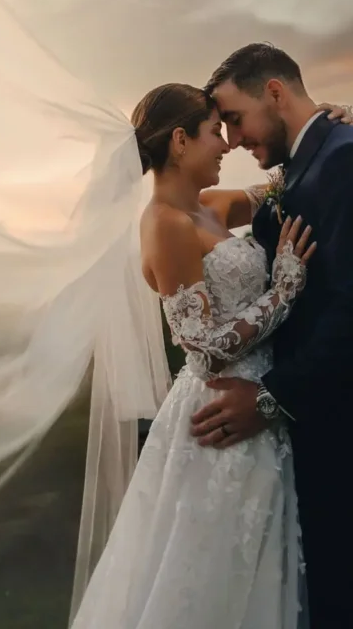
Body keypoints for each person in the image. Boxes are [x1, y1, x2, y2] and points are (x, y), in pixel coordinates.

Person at [69, 82, 352, 629]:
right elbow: (204, 345)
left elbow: (285, 183)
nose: (226, 145)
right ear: (179, 141)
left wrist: (336, 119)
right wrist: (283, 291)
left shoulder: (211, 206)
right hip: (220, 412)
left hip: (265, 406)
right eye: (214, 134)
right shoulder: (164, 226)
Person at [192, 44, 353, 628]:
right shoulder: (307, 163)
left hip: (337, 433)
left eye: (234, 118)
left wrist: (270, 398)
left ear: (276, 93)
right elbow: (219, 207)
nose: (231, 140)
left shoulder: (344, 158)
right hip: (306, 437)